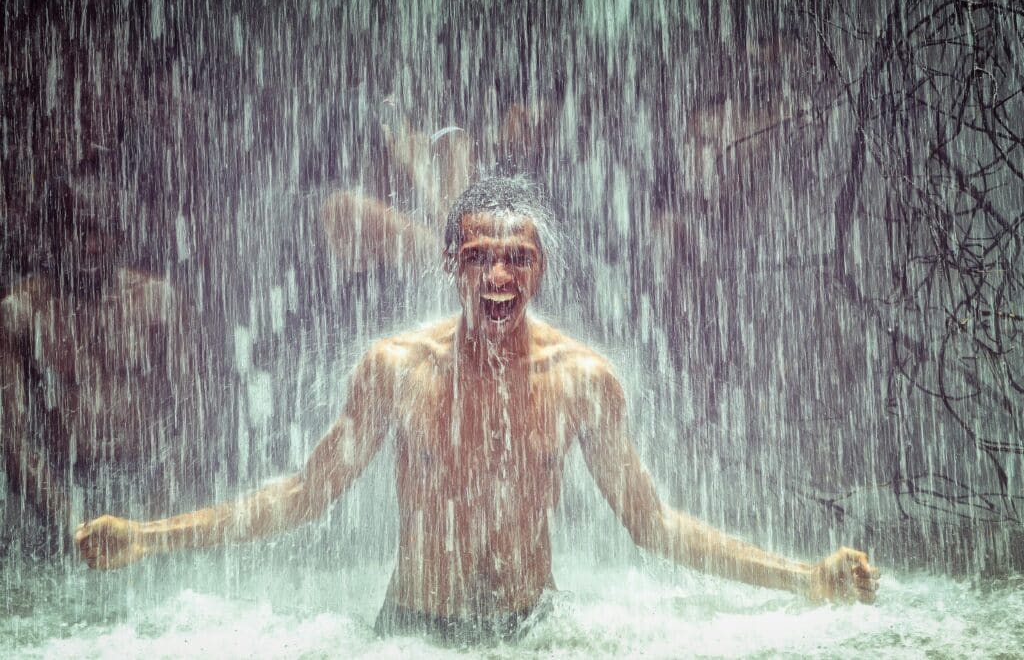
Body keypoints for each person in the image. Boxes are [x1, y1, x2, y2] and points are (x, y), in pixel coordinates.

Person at [75, 176, 880, 644]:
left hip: (536, 636)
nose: (500, 274)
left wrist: (803, 577)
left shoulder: (582, 379)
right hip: (413, 638)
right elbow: (300, 495)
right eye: (480, 257)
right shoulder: (396, 368)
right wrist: (150, 537)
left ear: (541, 269)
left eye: (518, 258)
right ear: (451, 267)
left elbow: (655, 524)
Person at [1, 172, 205, 553]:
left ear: (123, 236)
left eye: (104, 231)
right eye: (78, 230)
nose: (91, 246)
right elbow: (12, 439)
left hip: (148, 479)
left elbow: (195, 423)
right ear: (52, 236)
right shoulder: (22, 315)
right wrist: (74, 525)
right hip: (58, 489)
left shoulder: (158, 304)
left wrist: (145, 527)